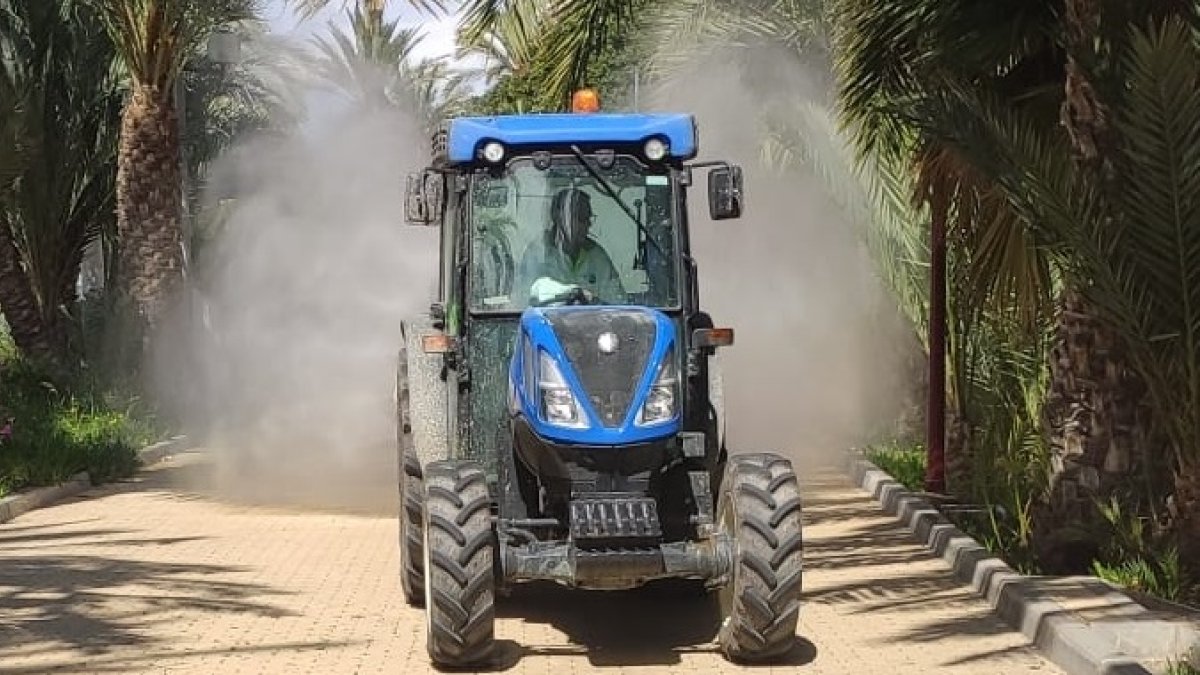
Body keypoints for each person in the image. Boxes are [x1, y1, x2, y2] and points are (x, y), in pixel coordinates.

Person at [516, 187, 625, 305]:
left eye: (589, 218)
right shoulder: (538, 253)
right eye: (581, 218)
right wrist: (574, 292)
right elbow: (525, 297)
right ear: (558, 217)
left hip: (592, 322)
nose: (588, 224)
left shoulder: (597, 256)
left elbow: (618, 302)